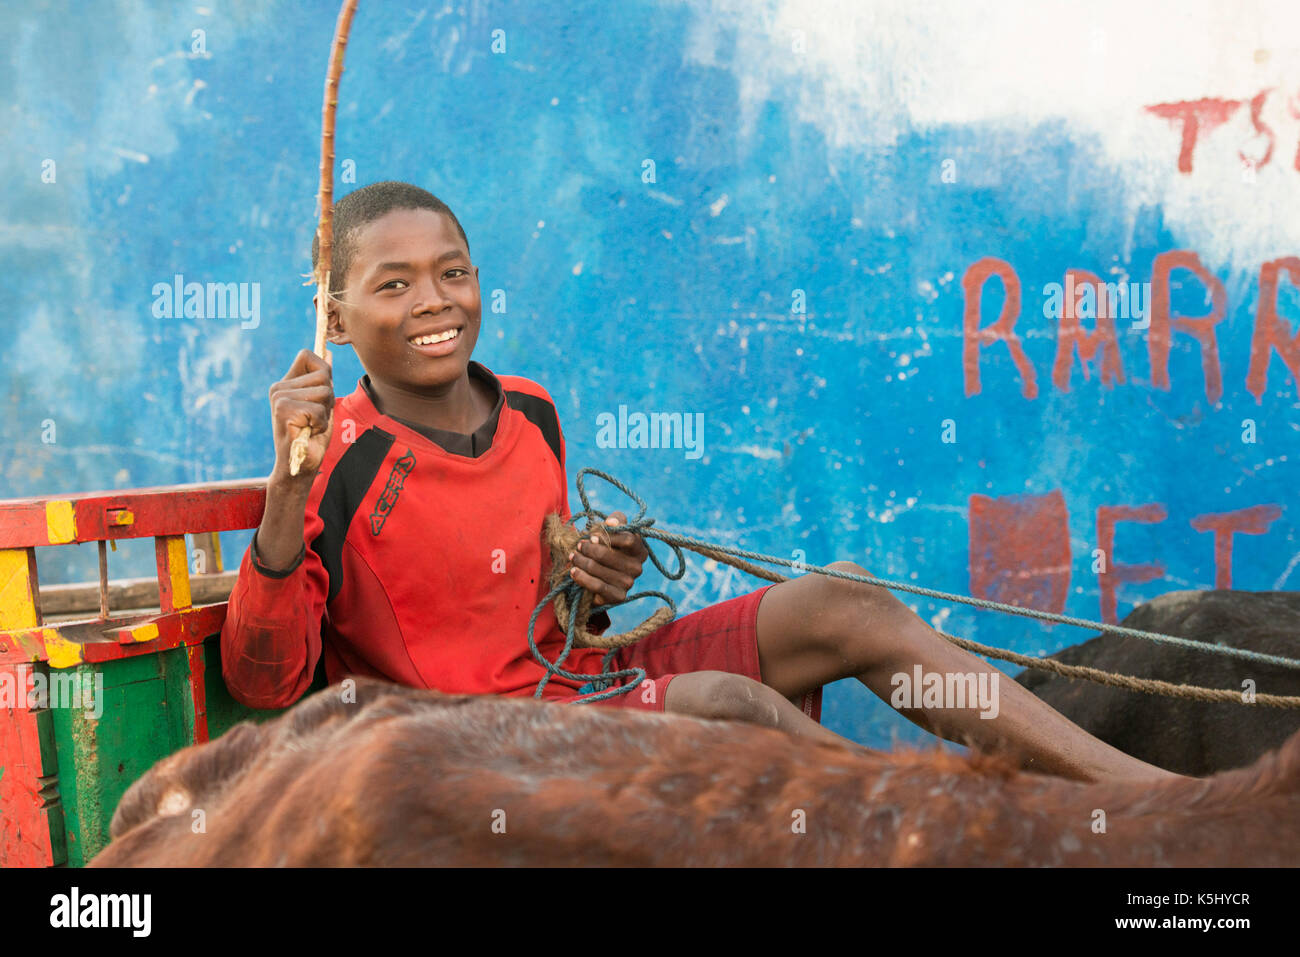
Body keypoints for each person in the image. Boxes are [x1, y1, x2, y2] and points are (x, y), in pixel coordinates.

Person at [222, 180, 1176, 783]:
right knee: (729, 704)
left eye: (453, 272)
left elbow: (565, 625)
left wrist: (596, 577)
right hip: (471, 739)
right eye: (393, 284)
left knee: (844, 600)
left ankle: (1147, 801)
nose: (433, 301)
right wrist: (285, 491)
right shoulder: (329, 452)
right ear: (336, 321)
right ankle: (914, 842)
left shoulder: (530, 408)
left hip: (582, 685)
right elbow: (264, 683)